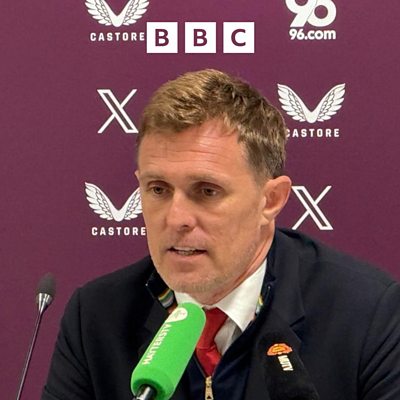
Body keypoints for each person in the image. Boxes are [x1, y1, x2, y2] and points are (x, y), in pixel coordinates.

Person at [42, 69, 400, 400]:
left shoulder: (367, 315)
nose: (177, 218)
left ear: (271, 200)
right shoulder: (96, 316)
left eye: (207, 191)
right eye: (158, 189)